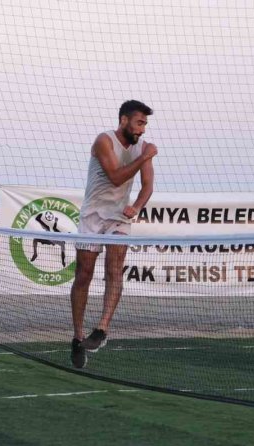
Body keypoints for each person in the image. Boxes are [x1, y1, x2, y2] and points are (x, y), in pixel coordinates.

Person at [70, 100, 157, 368]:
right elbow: (116, 178)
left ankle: (102, 329)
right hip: (93, 216)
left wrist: (137, 207)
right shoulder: (104, 141)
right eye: (139, 122)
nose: (142, 129)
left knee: (114, 268)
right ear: (124, 121)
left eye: (145, 124)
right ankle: (77, 337)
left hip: (119, 218)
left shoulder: (142, 148)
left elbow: (147, 186)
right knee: (83, 274)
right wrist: (144, 157)